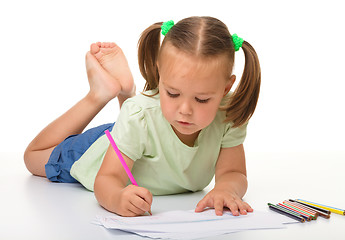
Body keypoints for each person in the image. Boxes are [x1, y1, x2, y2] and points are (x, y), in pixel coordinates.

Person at [24, 16, 261, 217]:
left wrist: (226, 189)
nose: (185, 110)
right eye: (173, 93)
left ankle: (127, 93)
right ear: (159, 76)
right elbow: (106, 178)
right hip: (103, 148)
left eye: (201, 100)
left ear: (226, 88)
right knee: (33, 158)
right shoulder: (140, 116)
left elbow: (234, 173)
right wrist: (116, 197)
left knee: (138, 120)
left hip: (138, 134)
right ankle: (99, 94)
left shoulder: (229, 115)